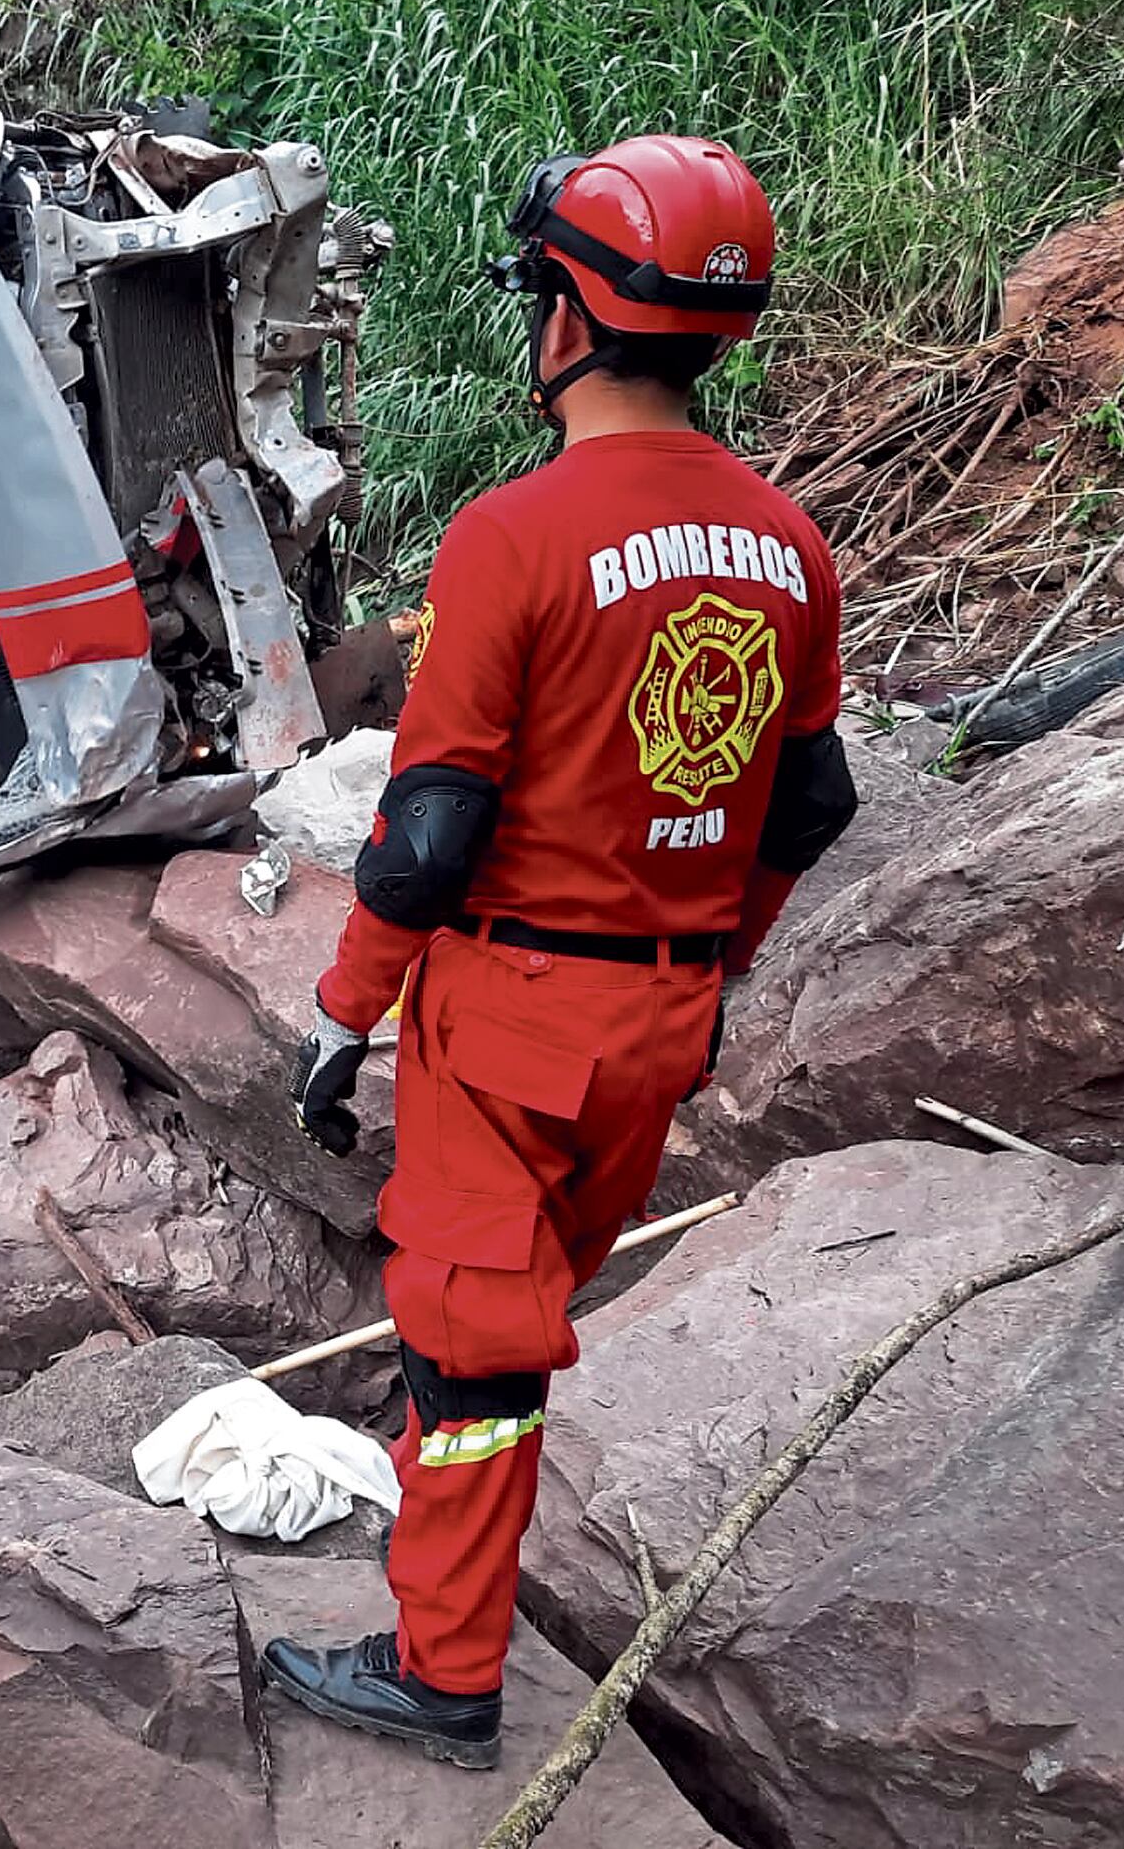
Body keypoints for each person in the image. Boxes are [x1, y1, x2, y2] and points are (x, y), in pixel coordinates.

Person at [261, 136, 858, 1769]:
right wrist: (714, 968)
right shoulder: (787, 548)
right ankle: (459, 1606)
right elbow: (808, 802)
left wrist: (344, 1007)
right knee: (514, 1329)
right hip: (659, 1022)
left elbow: (430, 831)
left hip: (514, 1013)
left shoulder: (514, 539)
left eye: (538, 295)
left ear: (572, 318)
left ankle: (443, 1673)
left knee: (466, 1342)